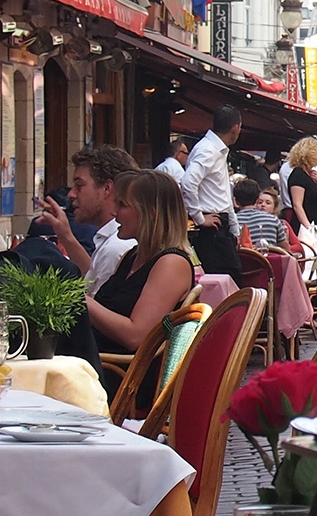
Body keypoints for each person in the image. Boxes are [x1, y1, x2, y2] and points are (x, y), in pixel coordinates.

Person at [87, 170, 196, 396]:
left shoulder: (171, 263)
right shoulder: (132, 257)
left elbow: (135, 336)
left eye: (123, 205)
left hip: (122, 379)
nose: (115, 213)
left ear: (151, 213)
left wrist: (81, 300)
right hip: (99, 365)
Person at [34, 146, 136, 296]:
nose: (71, 194)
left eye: (79, 185)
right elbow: (92, 277)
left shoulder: (117, 247)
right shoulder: (111, 238)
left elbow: (98, 309)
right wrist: (65, 235)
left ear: (107, 188)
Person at [179, 104, 243, 277]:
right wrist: (199, 218)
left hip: (219, 224)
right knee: (229, 278)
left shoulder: (215, 150)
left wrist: (234, 230)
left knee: (231, 277)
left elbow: (221, 192)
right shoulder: (208, 150)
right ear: (235, 128)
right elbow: (187, 182)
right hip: (213, 226)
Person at [234, 178, 283, 249]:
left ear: (235, 201)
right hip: (270, 259)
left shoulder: (231, 222)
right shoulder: (273, 219)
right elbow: (286, 250)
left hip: (240, 259)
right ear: (257, 199)